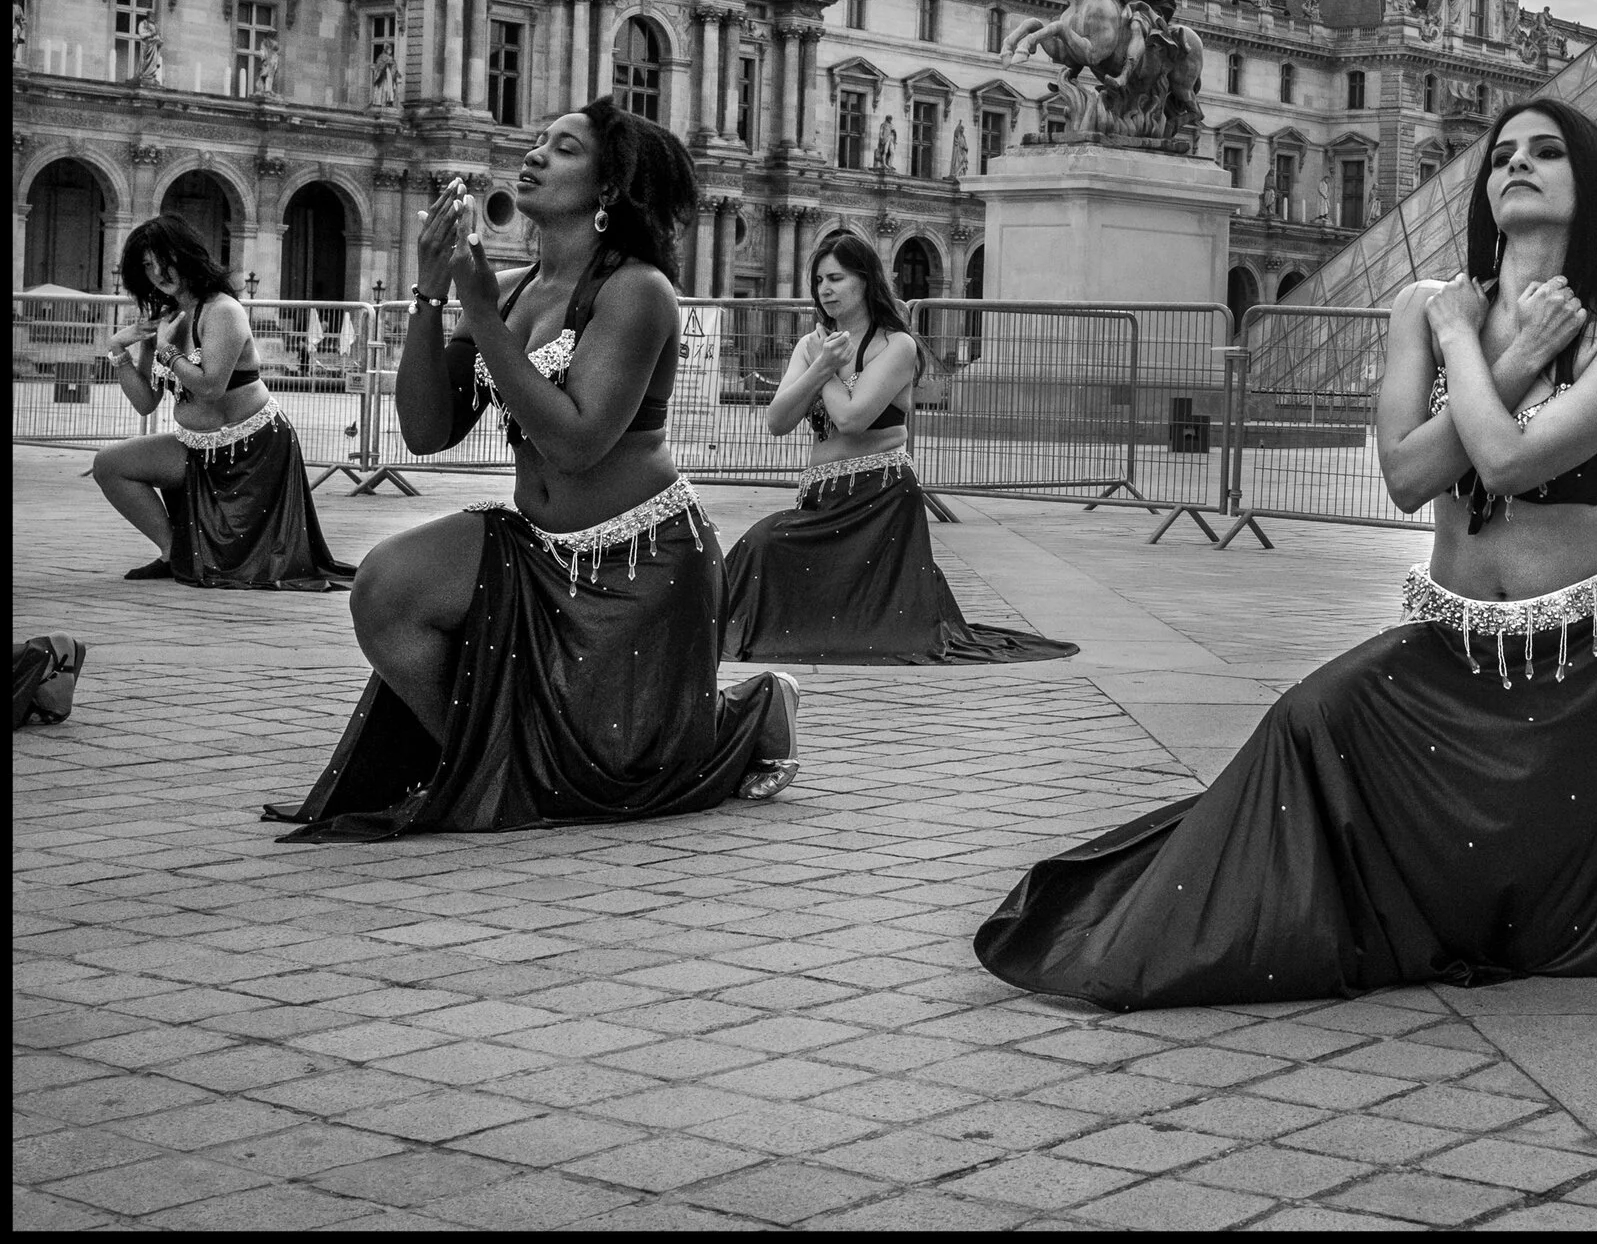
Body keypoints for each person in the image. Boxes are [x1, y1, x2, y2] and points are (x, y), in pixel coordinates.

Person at [977, 100, 1597, 1010]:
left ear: (1590, 183)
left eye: (1547, 153)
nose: (1517, 164)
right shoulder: (1424, 307)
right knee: (1307, 717)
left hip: (1594, 663)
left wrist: (1461, 347)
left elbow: (1510, 460)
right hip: (1454, 648)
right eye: (1502, 154)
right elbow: (1405, 474)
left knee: (1543, 894)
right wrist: (1502, 359)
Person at [266, 98, 797, 841]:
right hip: (536, 550)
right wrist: (430, 290)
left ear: (609, 188)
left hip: (639, 568)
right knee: (384, 590)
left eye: (566, 148)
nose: (537, 152)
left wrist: (480, 316)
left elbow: (578, 441)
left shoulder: (636, 289)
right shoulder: (510, 288)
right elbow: (426, 430)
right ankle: (491, 760)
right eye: (539, 140)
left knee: (613, 769)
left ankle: (754, 706)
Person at [719, 233, 1078, 666]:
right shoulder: (813, 345)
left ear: (865, 280)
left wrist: (824, 369)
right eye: (818, 281)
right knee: (757, 547)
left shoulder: (897, 345)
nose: (824, 290)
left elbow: (853, 419)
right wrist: (819, 363)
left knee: (766, 544)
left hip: (878, 497)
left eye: (835, 278)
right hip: (821, 499)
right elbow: (777, 422)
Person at [92, 216, 355, 591]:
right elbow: (145, 402)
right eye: (147, 265)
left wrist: (167, 351)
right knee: (109, 465)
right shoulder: (164, 317)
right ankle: (172, 553)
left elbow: (211, 385)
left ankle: (184, 555)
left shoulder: (222, 311)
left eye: (164, 260)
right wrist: (118, 348)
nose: (158, 273)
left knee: (244, 565)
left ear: (185, 256)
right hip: (197, 447)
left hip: (254, 450)